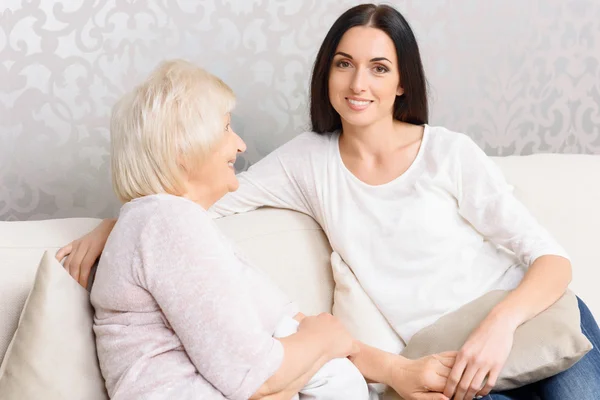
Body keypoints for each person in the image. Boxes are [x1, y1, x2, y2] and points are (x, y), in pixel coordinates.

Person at [57, 4, 600, 400]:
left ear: (403, 82)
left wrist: (498, 326)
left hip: (531, 324)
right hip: (445, 360)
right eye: (344, 64)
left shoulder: (449, 153)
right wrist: (121, 220)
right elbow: (192, 200)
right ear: (327, 73)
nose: (358, 82)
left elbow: (552, 261)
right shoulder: (307, 163)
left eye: (379, 67)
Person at [89, 59, 374, 399]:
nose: (240, 145)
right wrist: (323, 340)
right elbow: (252, 378)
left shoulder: (169, 223)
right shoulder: (166, 222)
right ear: (183, 147)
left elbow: (267, 348)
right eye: (225, 128)